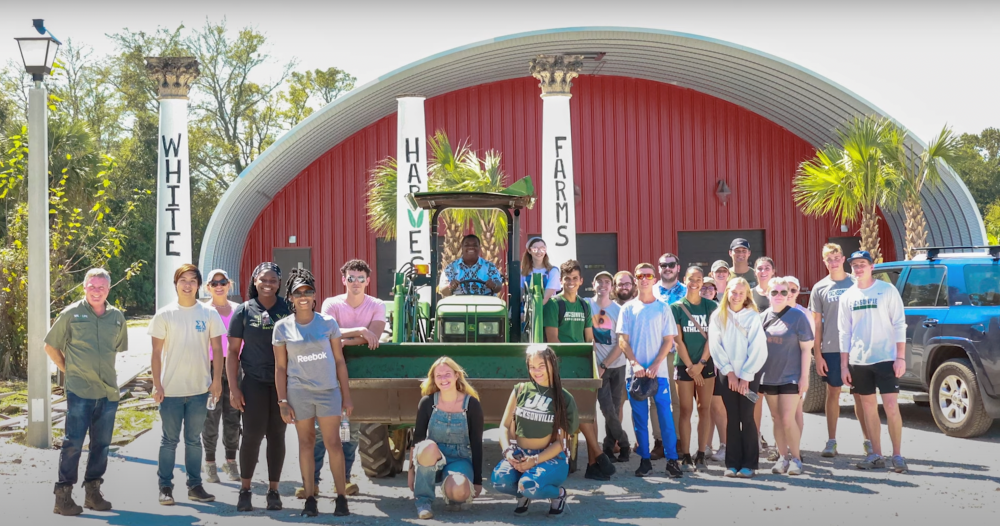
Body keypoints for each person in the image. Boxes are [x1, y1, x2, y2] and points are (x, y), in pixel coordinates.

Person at [45, 268, 128, 515]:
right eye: (92, 286)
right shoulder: (71, 314)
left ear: (109, 290)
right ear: (84, 287)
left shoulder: (116, 317)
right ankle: (63, 498)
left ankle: (93, 492)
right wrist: (68, 370)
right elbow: (50, 346)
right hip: (80, 391)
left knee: (101, 445)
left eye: (101, 287)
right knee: (73, 444)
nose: (96, 291)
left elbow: (117, 349)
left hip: (108, 393)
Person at [301, 259, 387, 498]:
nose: (356, 282)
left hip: (359, 375)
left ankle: (345, 480)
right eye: (351, 278)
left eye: (361, 278)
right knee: (320, 429)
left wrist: (342, 340)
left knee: (351, 427)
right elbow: (327, 333)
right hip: (327, 373)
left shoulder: (377, 304)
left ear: (368, 281)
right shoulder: (332, 304)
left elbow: (375, 338)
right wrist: (361, 330)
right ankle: (313, 481)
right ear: (344, 280)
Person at [273, 268, 352, 517]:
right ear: (291, 298)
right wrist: (282, 401)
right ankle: (309, 498)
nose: (303, 296)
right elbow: (281, 367)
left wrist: (346, 396)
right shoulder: (282, 328)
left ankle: (341, 498)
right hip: (299, 393)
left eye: (308, 291)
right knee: (306, 443)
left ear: (315, 296)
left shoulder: (328, 323)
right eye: (298, 292)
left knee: (334, 444)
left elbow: (339, 361)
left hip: (328, 392)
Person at [149, 264, 226, 505]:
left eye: (193, 280)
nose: (188, 284)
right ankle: (165, 486)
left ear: (198, 285)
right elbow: (156, 353)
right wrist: (156, 385)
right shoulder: (164, 314)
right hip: (171, 391)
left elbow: (217, 350)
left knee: (194, 441)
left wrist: (216, 382)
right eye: (183, 279)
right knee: (169, 441)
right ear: (176, 283)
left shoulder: (209, 313)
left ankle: (195, 486)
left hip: (198, 390)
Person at [542, 260, 615, 481]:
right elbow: (553, 340)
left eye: (575, 278)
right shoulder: (554, 305)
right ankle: (599, 455)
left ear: (581, 281)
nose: (571, 282)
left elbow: (589, 339)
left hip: (583, 365)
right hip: (562, 366)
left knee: (589, 413)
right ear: (561, 281)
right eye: (567, 279)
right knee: (579, 411)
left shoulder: (584, 306)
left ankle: (594, 464)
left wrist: (594, 365)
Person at [227, 262, 291, 512]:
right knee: (252, 436)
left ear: (279, 282)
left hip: (282, 384)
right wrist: (234, 388)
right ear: (254, 281)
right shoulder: (243, 311)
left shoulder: (288, 309)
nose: (268, 284)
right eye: (263, 279)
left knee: (277, 435)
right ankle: (245, 489)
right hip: (253, 382)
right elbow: (232, 352)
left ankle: (273, 491)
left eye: (273, 280)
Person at [838, 251, 908, 473]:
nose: (858, 269)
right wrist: (844, 365)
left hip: (886, 359)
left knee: (891, 407)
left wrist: (900, 357)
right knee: (868, 408)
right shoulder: (847, 296)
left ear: (871, 266)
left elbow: (899, 324)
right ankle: (876, 454)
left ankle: (897, 455)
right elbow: (844, 332)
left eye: (863, 264)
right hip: (859, 362)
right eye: (855, 265)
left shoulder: (887, 290)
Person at [492, 345, 577, 516]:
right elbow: (504, 426)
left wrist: (535, 460)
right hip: (520, 453)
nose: (536, 371)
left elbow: (562, 442)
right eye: (532, 367)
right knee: (499, 482)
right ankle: (524, 493)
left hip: (550, 457)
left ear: (552, 364)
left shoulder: (564, 398)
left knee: (530, 485)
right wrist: (508, 452)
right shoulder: (520, 389)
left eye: (541, 366)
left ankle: (558, 495)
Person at [619, 263, 683, 478]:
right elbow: (622, 340)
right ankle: (644, 460)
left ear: (654, 279)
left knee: (665, 417)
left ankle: (673, 460)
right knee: (639, 419)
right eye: (640, 275)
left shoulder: (663, 308)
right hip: (635, 374)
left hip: (660, 374)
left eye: (648, 275)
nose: (644, 279)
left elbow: (668, 340)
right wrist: (636, 364)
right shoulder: (628, 308)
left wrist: (656, 364)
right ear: (636, 280)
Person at [809, 243, 870, 458]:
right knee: (833, 392)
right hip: (832, 348)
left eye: (836, 258)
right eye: (829, 259)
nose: (833, 262)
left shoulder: (856, 282)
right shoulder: (820, 288)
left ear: (843, 259)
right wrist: (817, 353)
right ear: (824, 262)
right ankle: (832, 440)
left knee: (861, 395)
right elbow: (817, 324)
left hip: (858, 348)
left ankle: (868, 440)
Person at [408, 357, 484, 519]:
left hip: (460, 458)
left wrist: (478, 480)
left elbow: (477, 443)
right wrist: (411, 471)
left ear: (456, 375)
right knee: (427, 445)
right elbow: (418, 438)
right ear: (434, 379)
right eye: (439, 376)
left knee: (459, 493)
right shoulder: (427, 403)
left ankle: (451, 491)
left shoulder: (472, 404)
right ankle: (423, 501)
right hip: (433, 456)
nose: (443, 379)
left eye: (447, 374)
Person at [708, 278, 767, 478]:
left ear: (747, 295)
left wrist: (746, 377)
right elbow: (715, 346)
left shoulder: (753, 317)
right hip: (727, 374)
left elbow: (758, 348)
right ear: (727, 292)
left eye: (741, 293)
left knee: (748, 417)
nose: (737, 296)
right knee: (732, 418)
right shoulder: (718, 316)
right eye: (734, 292)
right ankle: (732, 464)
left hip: (750, 375)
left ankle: (750, 464)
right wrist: (730, 373)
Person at [759, 277, 813, 476]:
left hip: (791, 376)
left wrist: (804, 377)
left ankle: (796, 459)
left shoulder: (798, 316)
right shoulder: (762, 317)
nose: (779, 295)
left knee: (787, 418)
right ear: (767, 294)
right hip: (769, 377)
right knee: (776, 418)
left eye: (784, 292)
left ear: (789, 294)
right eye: (774, 292)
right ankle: (783, 457)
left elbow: (807, 350)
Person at [670, 266, 718, 472]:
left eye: (699, 279)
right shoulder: (677, 307)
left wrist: (701, 364)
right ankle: (686, 455)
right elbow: (677, 340)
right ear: (684, 279)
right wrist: (691, 366)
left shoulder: (711, 306)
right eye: (691, 278)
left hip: (705, 365)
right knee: (686, 411)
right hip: (684, 367)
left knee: (704, 409)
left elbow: (713, 337)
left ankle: (701, 453)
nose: (695, 282)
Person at [201, 269, 242, 484]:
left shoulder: (238, 310)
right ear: (207, 287)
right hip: (209, 368)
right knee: (211, 416)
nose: (219, 286)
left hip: (235, 367)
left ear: (229, 284)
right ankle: (209, 462)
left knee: (233, 415)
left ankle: (231, 460)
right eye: (214, 283)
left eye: (223, 282)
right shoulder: (202, 311)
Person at [586, 271, 630, 463]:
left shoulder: (619, 310)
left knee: (612, 407)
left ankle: (609, 448)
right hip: (596, 367)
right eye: (599, 281)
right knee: (607, 408)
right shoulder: (586, 305)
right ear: (593, 284)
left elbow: (621, 343)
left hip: (616, 365)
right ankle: (624, 442)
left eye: (607, 282)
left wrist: (605, 364)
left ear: (611, 287)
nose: (603, 285)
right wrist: (598, 365)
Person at [650, 253, 685, 460]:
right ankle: (659, 441)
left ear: (678, 268)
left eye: (671, 265)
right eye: (663, 265)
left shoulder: (687, 291)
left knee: (677, 400)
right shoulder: (651, 291)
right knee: (655, 400)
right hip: (655, 354)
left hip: (678, 353)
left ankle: (678, 440)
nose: (667, 268)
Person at [749, 256, 775, 459]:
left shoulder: (780, 291)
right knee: (756, 399)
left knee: (777, 402)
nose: (763, 271)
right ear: (755, 272)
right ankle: (755, 438)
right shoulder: (749, 295)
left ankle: (780, 442)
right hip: (756, 354)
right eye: (759, 268)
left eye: (767, 268)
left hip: (778, 354)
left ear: (773, 271)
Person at [438, 234, 503, 297]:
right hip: (459, 305)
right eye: (467, 245)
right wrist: (450, 286)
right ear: (462, 248)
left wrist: (494, 285)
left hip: (485, 305)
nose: (471, 247)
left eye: (475, 245)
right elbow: (443, 290)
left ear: (479, 248)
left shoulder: (489, 266)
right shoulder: (452, 267)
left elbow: (498, 286)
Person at [521, 237, 561, 303]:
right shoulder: (523, 273)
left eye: (542, 248)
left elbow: (547, 296)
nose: (539, 251)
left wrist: (536, 311)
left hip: (549, 309)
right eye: (535, 248)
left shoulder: (553, 271)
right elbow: (521, 293)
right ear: (529, 250)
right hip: (527, 311)